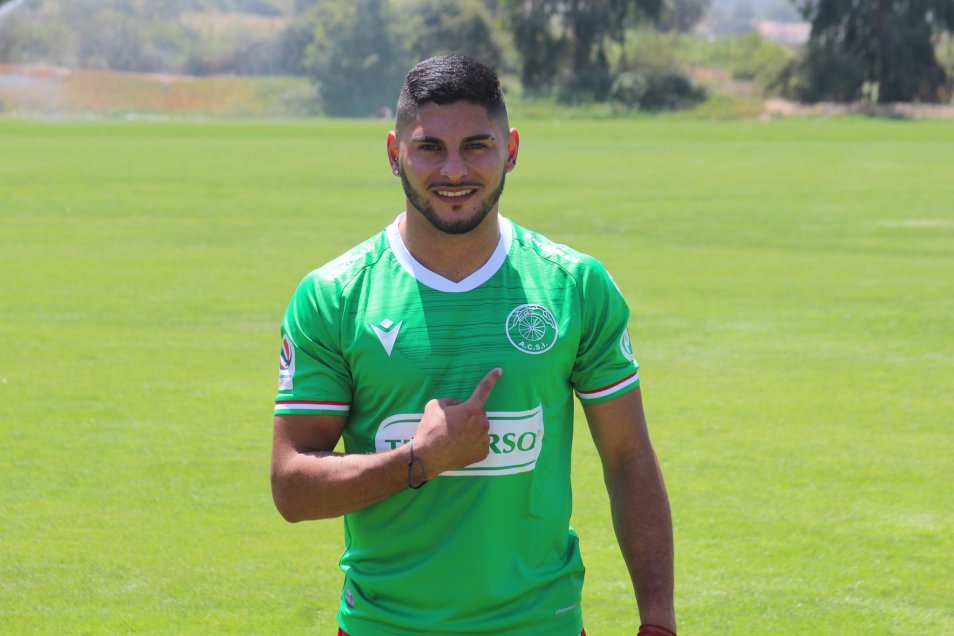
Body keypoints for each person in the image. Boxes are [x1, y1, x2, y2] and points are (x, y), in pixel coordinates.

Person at [270, 55, 675, 636]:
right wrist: (420, 460)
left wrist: (657, 620)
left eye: (477, 146)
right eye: (430, 147)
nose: (454, 170)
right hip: (384, 626)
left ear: (511, 150)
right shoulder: (334, 296)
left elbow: (628, 458)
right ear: (394, 153)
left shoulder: (574, 286)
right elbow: (291, 486)